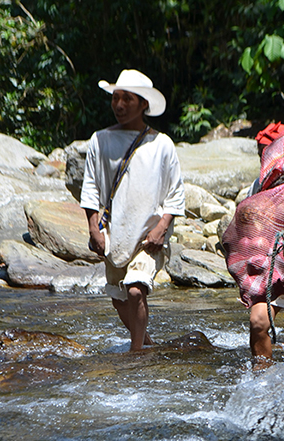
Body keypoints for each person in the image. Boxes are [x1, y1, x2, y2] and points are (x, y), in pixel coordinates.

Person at [80, 69, 185, 351]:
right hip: (115, 232)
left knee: (136, 290)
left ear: (144, 105)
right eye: (116, 98)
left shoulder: (161, 145)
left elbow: (176, 194)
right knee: (119, 297)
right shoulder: (99, 140)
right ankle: (146, 341)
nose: (119, 105)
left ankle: (136, 354)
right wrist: (93, 227)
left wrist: (162, 228)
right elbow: (90, 188)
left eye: (127, 98)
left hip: (149, 234)